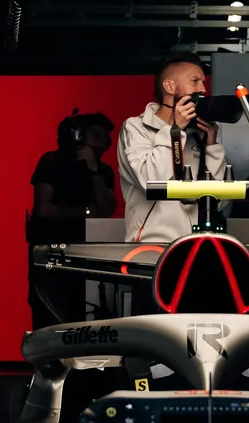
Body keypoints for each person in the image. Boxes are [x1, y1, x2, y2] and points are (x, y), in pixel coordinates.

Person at [118, 56, 228, 246]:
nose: (202, 89)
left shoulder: (197, 133)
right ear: (169, 87)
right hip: (150, 248)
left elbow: (220, 201)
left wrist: (211, 147)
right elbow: (150, 181)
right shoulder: (136, 127)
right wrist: (174, 131)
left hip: (196, 246)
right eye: (195, 81)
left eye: (203, 82)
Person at [28, 111, 117, 326]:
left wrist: (94, 173)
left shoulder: (103, 171)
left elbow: (107, 209)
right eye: (96, 136)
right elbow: (43, 209)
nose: (102, 143)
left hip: (86, 250)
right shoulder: (52, 161)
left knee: (81, 306)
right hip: (49, 247)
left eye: (106, 138)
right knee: (47, 305)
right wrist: (86, 212)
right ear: (78, 136)